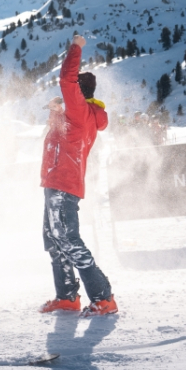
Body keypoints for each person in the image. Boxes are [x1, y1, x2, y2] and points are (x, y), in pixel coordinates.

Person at [39, 35, 118, 317]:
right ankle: (67, 297)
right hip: (56, 184)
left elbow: (66, 78)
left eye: (68, 97)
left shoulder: (80, 108)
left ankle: (103, 297)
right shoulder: (78, 115)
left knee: (69, 239)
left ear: (78, 93)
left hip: (63, 186)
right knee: (54, 239)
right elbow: (63, 136)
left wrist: (76, 47)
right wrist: (56, 115)